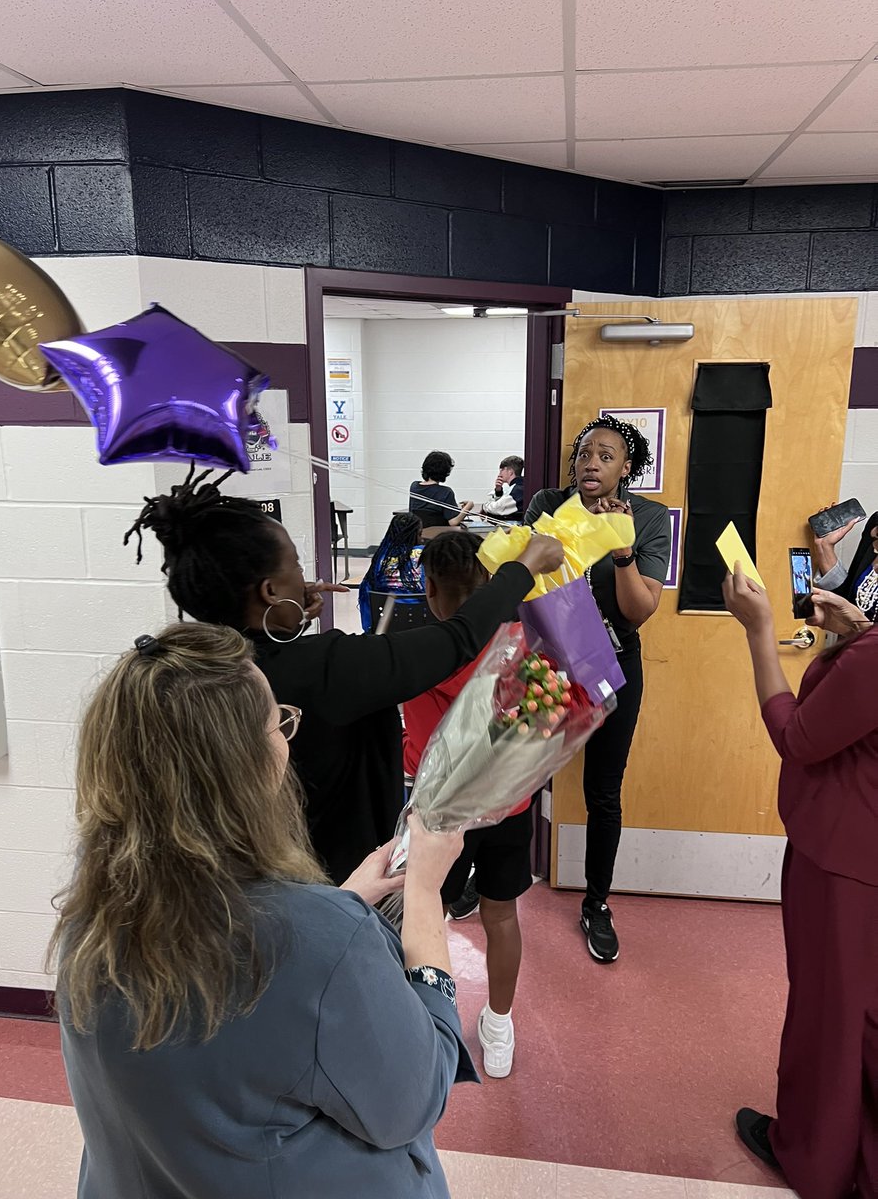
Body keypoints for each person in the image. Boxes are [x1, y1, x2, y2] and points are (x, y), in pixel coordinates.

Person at [53, 621, 474, 1199]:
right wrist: (424, 893)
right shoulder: (320, 940)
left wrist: (342, 902)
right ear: (244, 768)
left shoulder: (92, 909)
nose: (285, 736)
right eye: (278, 721)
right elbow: (414, 1099)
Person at [125, 466, 564, 884]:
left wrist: (286, 614)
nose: (305, 576)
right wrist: (524, 567)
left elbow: (273, 647)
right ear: (268, 591)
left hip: (267, 868)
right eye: (295, 566)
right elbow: (457, 640)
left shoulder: (212, 669)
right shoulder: (326, 667)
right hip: (339, 875)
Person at [722, 569, 878, 1199]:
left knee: (831, 1014)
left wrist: (760, 631)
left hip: (849, 859)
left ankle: (816, 1156)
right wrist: (858, 630)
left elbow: (799, 737)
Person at [523, 414, 670, 964]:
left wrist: (622, 548)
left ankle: (597, 903)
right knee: (515, 767)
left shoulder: (649, 518)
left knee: (604, 790)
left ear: (626, 469)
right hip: (550, 661)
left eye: (606, 456)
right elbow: (527, 578)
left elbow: (638, 611)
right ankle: (481, 876)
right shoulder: (547, 503)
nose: (591, 463)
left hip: (614, 662)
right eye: (586, 453)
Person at [402, 534, 534, 1080]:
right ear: (489, 584)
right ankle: (499, 1021)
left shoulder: (415, 654)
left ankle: (422, 1020)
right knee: (501, 915)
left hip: (439, 815)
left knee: (421, 910)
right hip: (509, 803)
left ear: (430, 590)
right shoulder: (522, 646)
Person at [359, 513, 426, 632]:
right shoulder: (425, 554)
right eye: (420, 534)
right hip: (422, 627)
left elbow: (365, 594)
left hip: (387, 628)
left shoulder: (381, 557)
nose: (422, 539)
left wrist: (370, 630)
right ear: (413, 535)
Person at [812, 507, 878, 624]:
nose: (873, 533)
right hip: (851, 640)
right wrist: (825, 547)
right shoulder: (875, 524)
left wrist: (860, 630)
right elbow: (849, 599)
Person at [409, 450, 474, 535]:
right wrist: (468, 508)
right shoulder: (446, 492)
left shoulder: (414, 486)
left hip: (417, 536)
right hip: (439, 538)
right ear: (445, 472)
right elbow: (453, 522)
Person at [480, 455, 525, 522]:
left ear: (510, 472)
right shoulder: (518, 486)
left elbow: (496, 508)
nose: (499, 474)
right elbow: (503, 504)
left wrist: (484, 506)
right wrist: (498, 491)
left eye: (502, 470)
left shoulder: (517, 490)